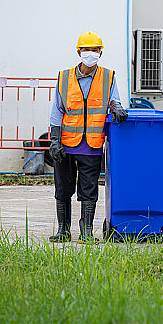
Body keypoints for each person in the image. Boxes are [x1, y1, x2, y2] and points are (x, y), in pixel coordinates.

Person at [48, 31, 128, 244]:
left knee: (89, 190)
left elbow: (113, 100)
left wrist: (117, 108)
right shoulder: (64, 77)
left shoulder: (108, 76)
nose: (90, 54)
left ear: (101, 52)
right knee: (63, 188)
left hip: (91, 145)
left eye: (94, 50)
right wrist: (54, 141)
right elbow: (57, 111)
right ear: (78, 52)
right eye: (86, 49)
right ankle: (63, 231)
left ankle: (86, 233)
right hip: (65, 144)